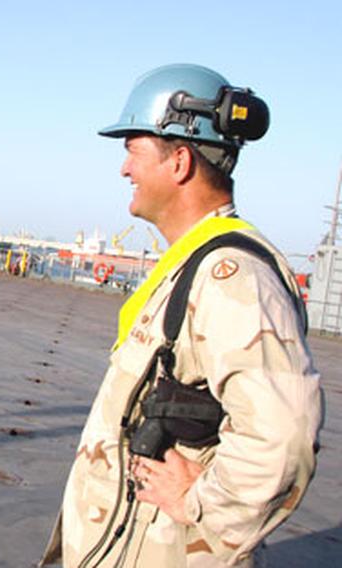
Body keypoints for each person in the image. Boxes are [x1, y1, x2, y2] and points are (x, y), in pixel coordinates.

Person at [40, 64, 323, 567]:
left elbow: (283, 436)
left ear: (180, 162)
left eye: (132, 149)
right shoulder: (191, 264)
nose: (124, 169)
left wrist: (201, 502)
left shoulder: (232, 277)